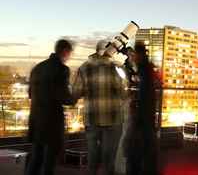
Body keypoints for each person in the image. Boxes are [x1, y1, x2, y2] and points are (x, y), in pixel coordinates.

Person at [72, 40, 127, 175]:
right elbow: (124, 93)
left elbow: (76, 92)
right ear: (111, 51)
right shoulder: (117, 68)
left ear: (96, 51)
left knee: (92, 154)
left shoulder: (84, 67)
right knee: (109, 157)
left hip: (92, 118)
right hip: (113, 118)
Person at [26, 39, 77, 175]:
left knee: (35, 159)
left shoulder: (37, 68)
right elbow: (64, 97)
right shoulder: (62, 69)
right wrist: (76, 97)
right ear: (65, 51)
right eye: (70, 53)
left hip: (36, 120)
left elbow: (30, 93)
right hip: (52, 123)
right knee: (49, 162)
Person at [123, 42, 159, 175]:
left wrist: (136, 111)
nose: (133, 57)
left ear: (138, 54)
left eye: (134, 55)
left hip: (142, 117)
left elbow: (144, 94)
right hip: (146, 116)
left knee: (135, 150)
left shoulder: (144, 70)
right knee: (146, 150)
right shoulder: (147, 68)